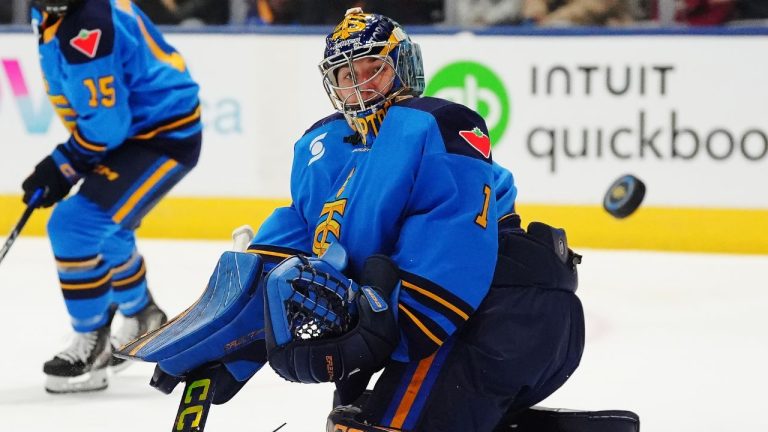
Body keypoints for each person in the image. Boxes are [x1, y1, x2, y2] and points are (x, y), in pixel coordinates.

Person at [118, 8, 595, 432]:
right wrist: (226, 345)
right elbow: (282, 258)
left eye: (374, 70)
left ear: (403, 69)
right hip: (429, 320)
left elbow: (453, 245)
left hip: (499, 311)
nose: (360, 85)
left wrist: (387, 329)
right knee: (352, 420)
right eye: (346, 75)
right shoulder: (319, 150)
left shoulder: (438, 125)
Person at [25, 0, 202, 393]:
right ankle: (143, 315)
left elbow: (107, 125)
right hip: (137, 131)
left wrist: (63, 164)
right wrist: (69, 161)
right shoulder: (58, 14)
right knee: (107, 226)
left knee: (74, 224)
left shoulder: (85, 25)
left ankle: (94, 343)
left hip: (160, 137)